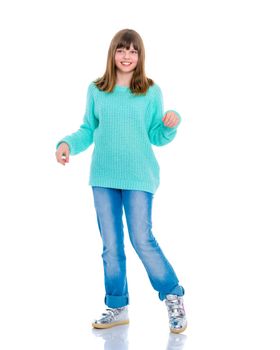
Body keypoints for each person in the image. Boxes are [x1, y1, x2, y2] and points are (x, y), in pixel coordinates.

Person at [55, 28, 187, 334]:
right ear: (112, 53)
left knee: (142, 239)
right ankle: (117, 305)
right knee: (111, 245)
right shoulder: (96, 89)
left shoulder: (150, 91)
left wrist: (171, 123)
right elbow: (88, 128)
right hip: (103, 177)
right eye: (121, 49)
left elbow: (156, 134)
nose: (127, 56)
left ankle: (173, 295)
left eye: (133, 51)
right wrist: (67, 144)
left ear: (140, 57)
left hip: (140, 176)